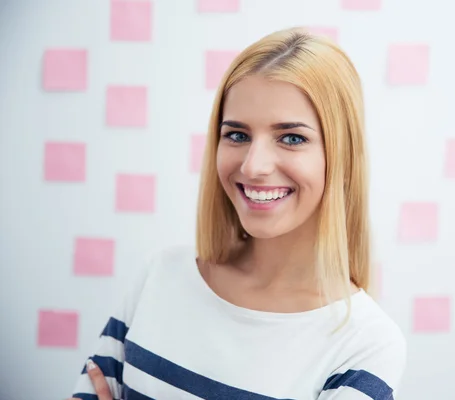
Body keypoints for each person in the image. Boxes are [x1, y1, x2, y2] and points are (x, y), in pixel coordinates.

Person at [68, 26, 407, 400]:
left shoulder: (366, 345)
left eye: (292, 138)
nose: (253, 166)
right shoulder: (160, 275)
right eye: (237, 135)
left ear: (340, 157)